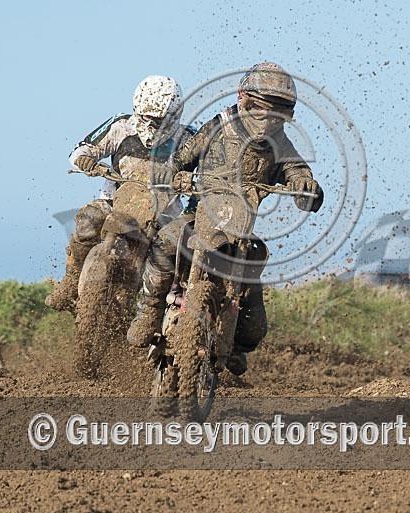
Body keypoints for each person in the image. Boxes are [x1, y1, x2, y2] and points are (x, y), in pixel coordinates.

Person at [126, 62, 324, 376]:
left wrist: (305, 185)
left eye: (275, 112)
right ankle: (149, 311)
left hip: (240, 232)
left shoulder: (282, 145)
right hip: (198, 215)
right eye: (260, 108)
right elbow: (180, 157)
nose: (266, 118)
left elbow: (298, 171)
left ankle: (237, 343)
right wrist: (174, 174)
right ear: (244, 100)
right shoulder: (218, 127)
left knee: (254, 302)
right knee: (165, 241)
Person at [46, 75, 195, 312]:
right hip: (114, 202)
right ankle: (70, 283)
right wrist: (86, 161)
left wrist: (194, 180)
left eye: (160, 120)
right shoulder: (120, 126)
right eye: (148, 118)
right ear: (137, 110)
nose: (153, 125)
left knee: (177, 247)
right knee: (88, 220)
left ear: (174, 116)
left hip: (164, 213)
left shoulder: (188, 138)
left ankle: (167, 308)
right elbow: (80, 150)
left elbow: (208, 171)